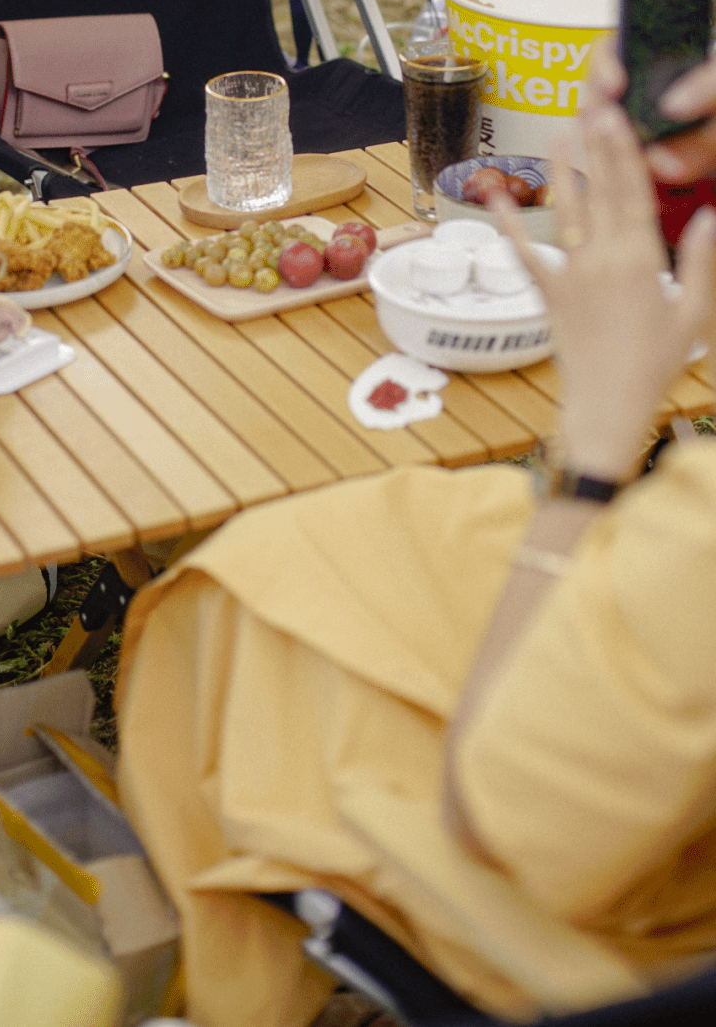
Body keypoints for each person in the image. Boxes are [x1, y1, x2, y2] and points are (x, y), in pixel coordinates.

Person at [115, 62, 716, 1027]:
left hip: (585, 891)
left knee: (247, 594)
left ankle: (242, 988)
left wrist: (596, 454)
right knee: (386, 522)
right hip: (638, 665)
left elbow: (501, 820)